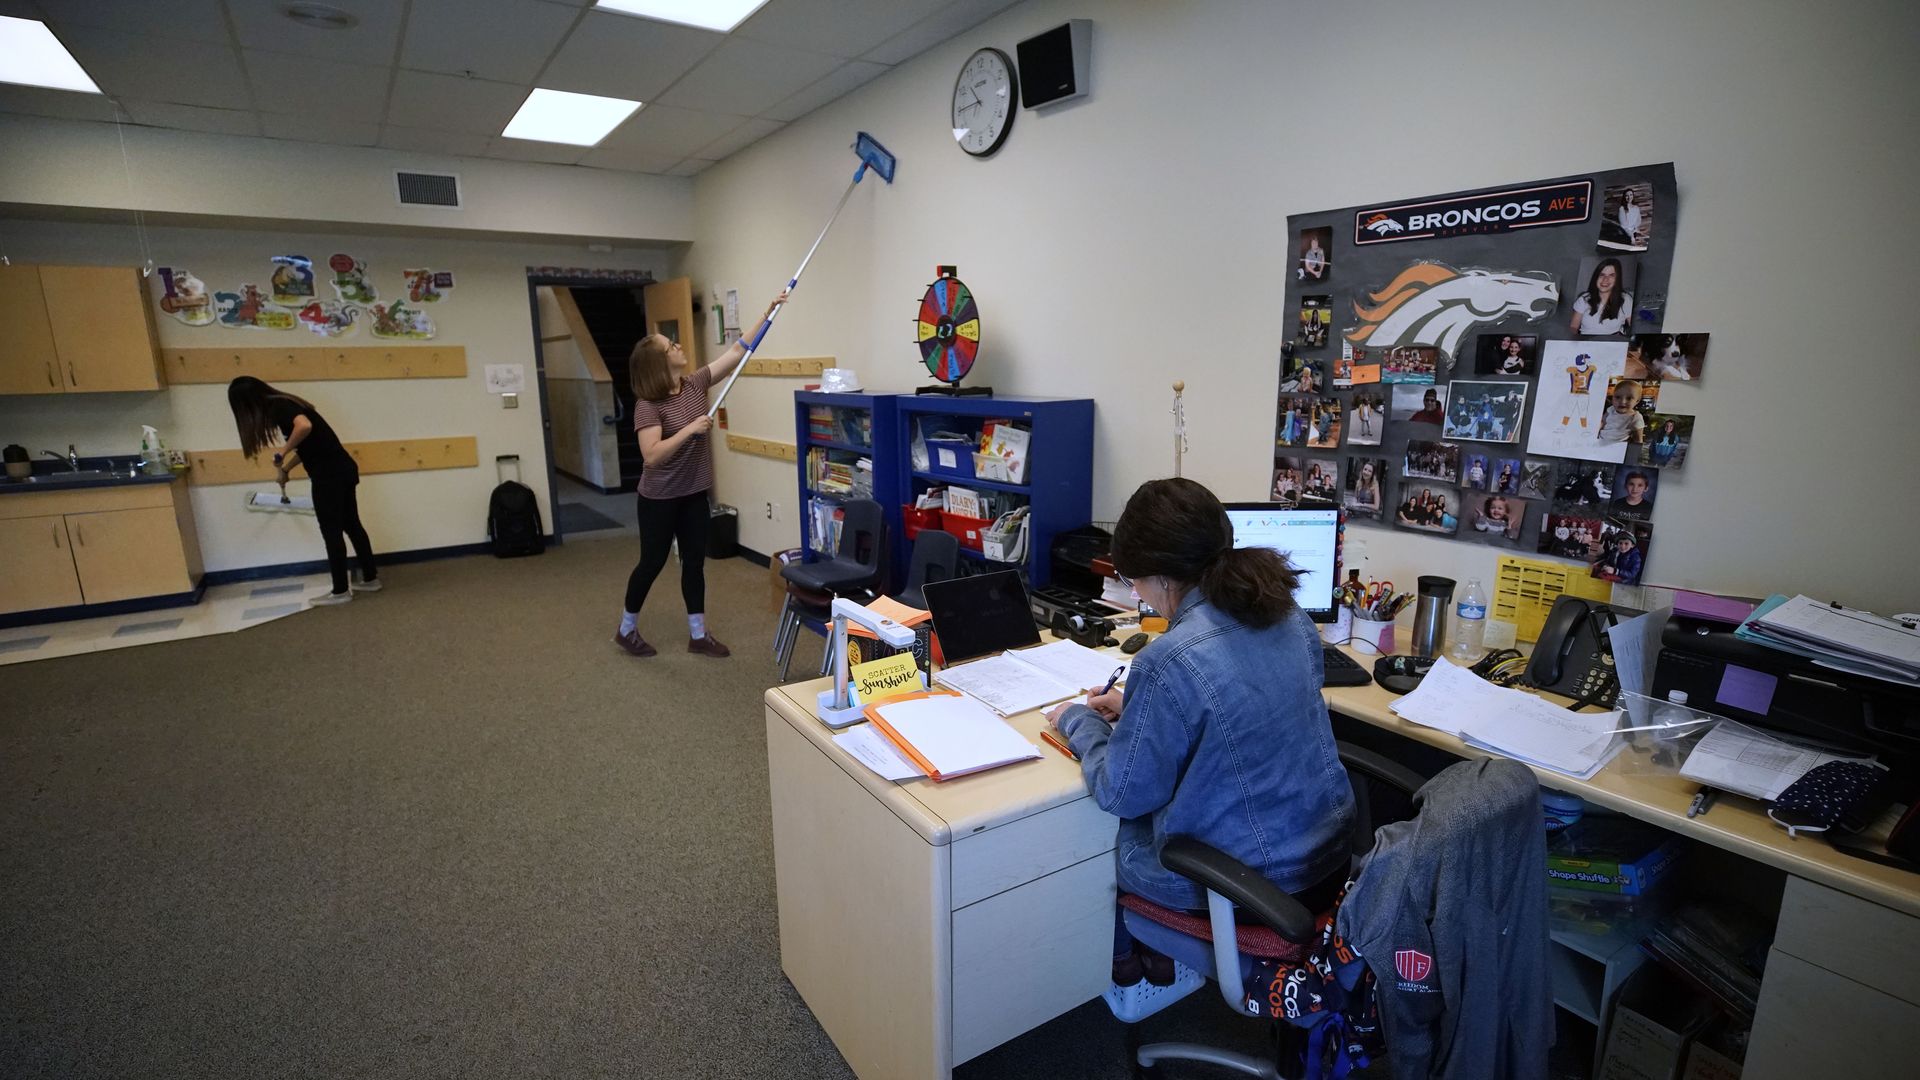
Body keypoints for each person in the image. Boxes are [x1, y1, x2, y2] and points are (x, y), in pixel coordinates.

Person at [1046, 479, 1355, 987]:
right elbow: (1248, 715)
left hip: (1252, 885)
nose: (1135, 592)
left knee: (1102, 835)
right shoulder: (1291, 617)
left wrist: (1075, 720)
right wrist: (1143, 708)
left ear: (1165, 579)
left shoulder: (1168, 660)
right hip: (1329, 862)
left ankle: (1126, 959)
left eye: (1132, 579)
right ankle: (1152, 954)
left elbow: (1122, 791)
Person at [615, 290, 788, 658]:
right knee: (652, 563)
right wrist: (690, 430)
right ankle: (626, 628)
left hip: (694, 492)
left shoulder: (694, 384)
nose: (678, 346)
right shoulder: (648, 406)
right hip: (659, 498)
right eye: (671, 346)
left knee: (694, 562)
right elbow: (651, 456)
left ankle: (698, 634)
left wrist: (768, 312)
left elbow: (738, 351)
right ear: (660, 363)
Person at [228, 377, 378, 606]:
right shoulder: (286, 402)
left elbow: (304, 426)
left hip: (329, 476)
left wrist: (282, 452)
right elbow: (311, 444)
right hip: (343, 469)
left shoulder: (278, 407)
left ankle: (340, 592)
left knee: (332, 531)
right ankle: (370, 579)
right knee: (352, 525)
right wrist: (286, 469)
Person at [1570, 258, 1633, 336]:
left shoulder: (1626, 299)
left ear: (1617, 279)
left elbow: (1633, 328)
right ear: (1596, 278)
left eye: (1611, 275)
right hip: (1586, 343)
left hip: (1613, 344)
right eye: (1602, 275)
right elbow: (1573, 327)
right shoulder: (1584, 299)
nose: (1605, 279)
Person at [1597, 380, 1646, 444]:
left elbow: (1638, 439)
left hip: (1619, 446)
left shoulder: (1635, 417)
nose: (1622, 401)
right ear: (1612, 398)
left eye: (1629, 398)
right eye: (1617, 397)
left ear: (1637, 401)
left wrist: (1635, 450)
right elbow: (1602, 423)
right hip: (1600, 441)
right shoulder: (1610, 409)